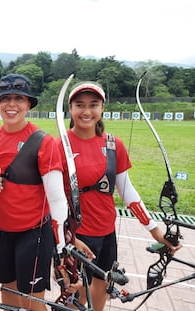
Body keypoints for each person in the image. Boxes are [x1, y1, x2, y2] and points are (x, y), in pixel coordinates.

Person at [56, 81, 182, 311]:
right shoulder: (58, 146)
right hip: (78, 234)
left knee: (104, 282)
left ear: (102, 108)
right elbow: (51, 199)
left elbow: (127, 191)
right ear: (70, 109)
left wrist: (154, 229)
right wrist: (68, 239)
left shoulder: (114, 145)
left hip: (106, 231)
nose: (86, 111)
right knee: (77, 292)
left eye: (93, 104)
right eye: (79, 105)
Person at [0, 73, 84, 311]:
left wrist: (60, 245)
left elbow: (57, 197)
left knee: (32, 301)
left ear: (28, 104)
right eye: (5, 98)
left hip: (33, 234)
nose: (11, 105)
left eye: (19, 98)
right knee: (7, 294)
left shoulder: (43, 141)